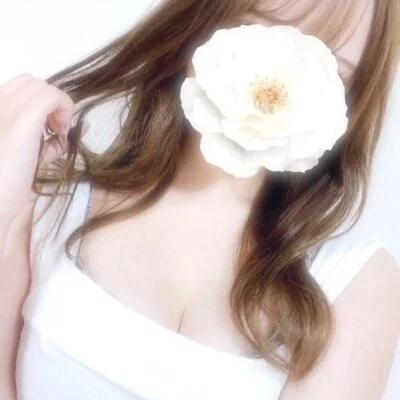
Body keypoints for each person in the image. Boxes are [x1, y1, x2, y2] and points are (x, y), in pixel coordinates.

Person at [1, 0, 399, 399]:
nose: (282, 89)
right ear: (204, 19)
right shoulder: (49, 197)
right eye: (263, 32)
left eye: (330, 69)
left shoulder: (349, 285)